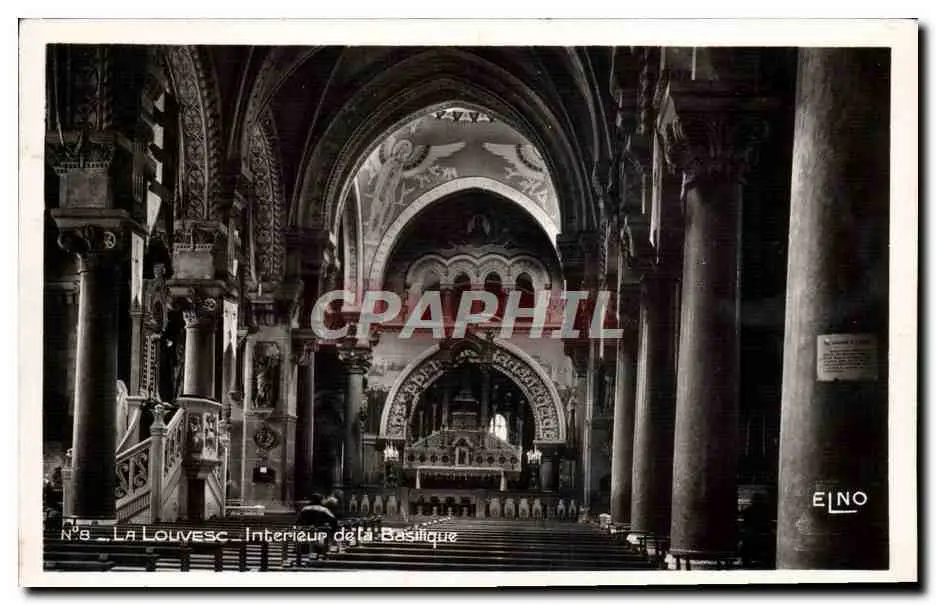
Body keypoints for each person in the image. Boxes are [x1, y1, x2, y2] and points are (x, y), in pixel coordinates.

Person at [294, 494, 338, 565]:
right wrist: (332, 532)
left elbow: (297, 523)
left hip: (305, 539)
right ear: (320, 500)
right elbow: (334, 521)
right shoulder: (324, 510)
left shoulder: (304, 509)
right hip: (320, 539)